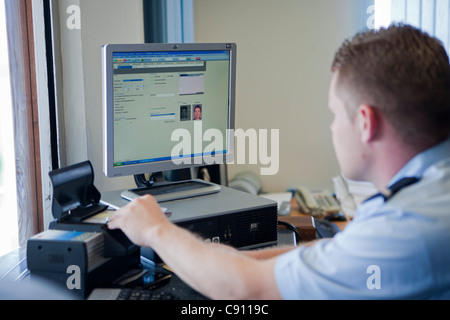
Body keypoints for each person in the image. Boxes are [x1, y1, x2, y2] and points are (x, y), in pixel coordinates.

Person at [108, 24, 450, 300]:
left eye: (334, 114)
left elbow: (243, 289)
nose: (332, 127)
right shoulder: (430, 194)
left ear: (365, 122)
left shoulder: (404, 229)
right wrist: (225, 260)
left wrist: (156, 230)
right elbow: (339, 253)